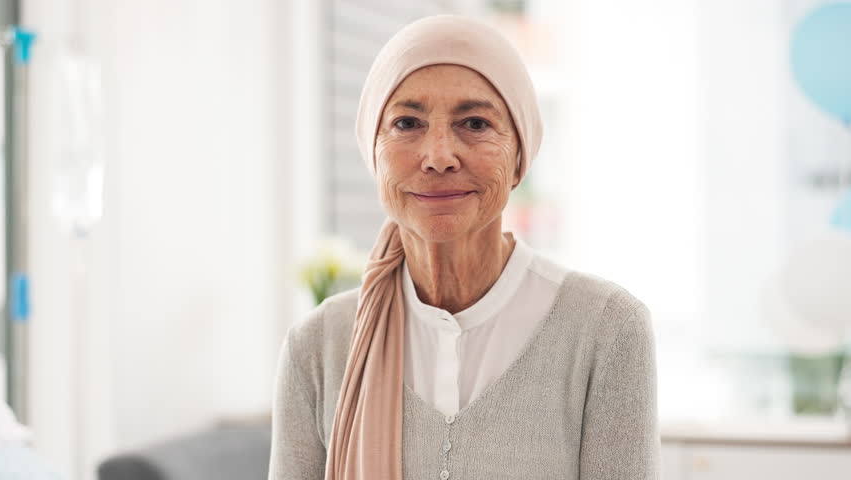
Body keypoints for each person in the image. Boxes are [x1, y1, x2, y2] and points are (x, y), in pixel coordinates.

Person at [269, 14, 659, 480]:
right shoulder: (316, 346)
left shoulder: (607, 329)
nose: (438, 156)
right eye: (407, 122)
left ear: (520, 155)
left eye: (474, 122)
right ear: (373, 153)